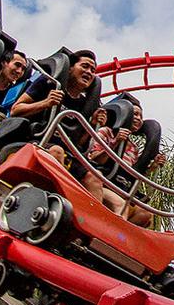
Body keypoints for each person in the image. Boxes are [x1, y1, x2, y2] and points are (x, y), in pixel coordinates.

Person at [10, 49, 106, 200]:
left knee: (95, 176)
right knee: (56, 151)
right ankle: (50, 203)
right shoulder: (49, 83)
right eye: (85, 66)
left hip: (66, 152)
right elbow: (15, 109)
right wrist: (45, 103)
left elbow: (78, 144)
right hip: (36, 141)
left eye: (93, 70)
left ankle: (91, 221)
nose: (89, 72)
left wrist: (92, 125)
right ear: (70, 68)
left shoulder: (85, 105)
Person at [89, 103, 166, 227]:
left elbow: (131, 175)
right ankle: (107, 234)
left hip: (121, 190)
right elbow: (94, 159)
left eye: (141, 116)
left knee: (146, 214)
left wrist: (153, 166)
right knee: (121, 205)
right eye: (135, 114)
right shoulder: (106, 132)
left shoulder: (133, 148)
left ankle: (119, 235)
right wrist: (115, 143)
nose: (138, 118)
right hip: (102, 183)